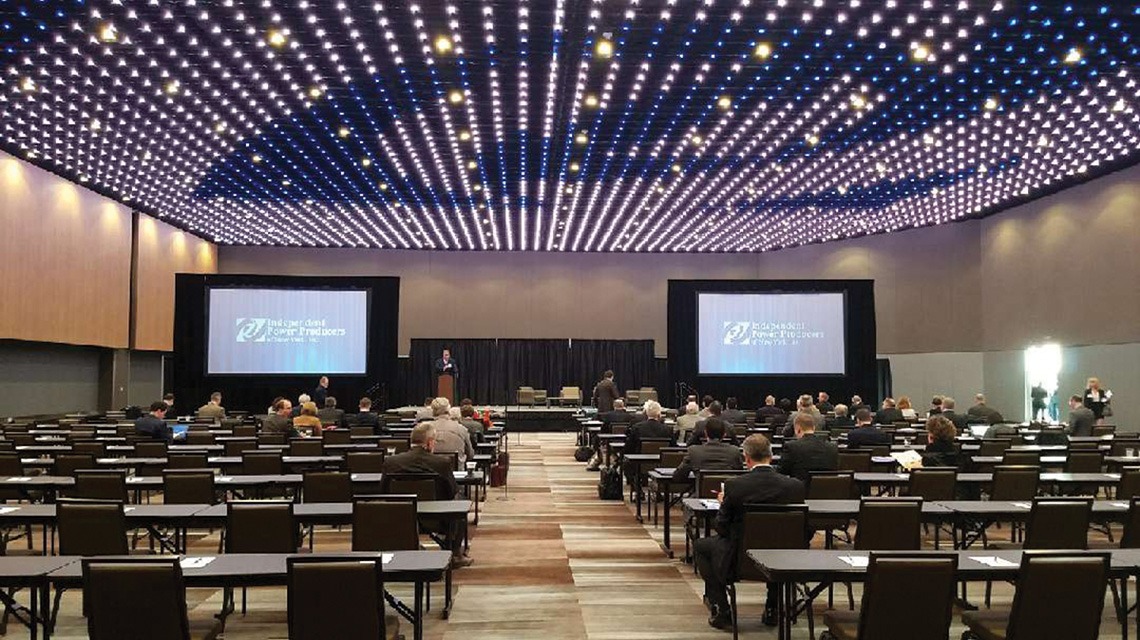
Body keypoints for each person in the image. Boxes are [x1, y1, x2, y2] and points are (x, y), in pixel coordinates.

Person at [695, 434, 805, 629]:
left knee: (701, 547)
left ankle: (723, 609)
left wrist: (722, 505)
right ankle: (773, 607)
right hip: (783, 558)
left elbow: (721, 527)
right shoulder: (794, 486)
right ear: (771, 456)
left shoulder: (734, 486)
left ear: (746, 458)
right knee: (776, 541)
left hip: (739, 558)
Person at [381, 423, 472, 568]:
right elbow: (452, 491)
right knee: (461, 503)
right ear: (430, 443)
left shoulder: (391, 462)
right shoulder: (441, 463)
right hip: (436, 519)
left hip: (401, 517)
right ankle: (455, 554)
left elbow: (383, 491)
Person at [672, 418, 744, 482]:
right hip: (726, 495)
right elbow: (740, 475)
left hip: (700, 496)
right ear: (724, 435)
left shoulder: (693, 451)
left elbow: (678, 477)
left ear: (706, 433)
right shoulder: (734, 451)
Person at [777, 412, 838, 487]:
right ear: (814, 428)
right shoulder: (832, 447)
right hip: (830, 492)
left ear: (798, 429)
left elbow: (782, 471)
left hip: (800, 493)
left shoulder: (791, 446)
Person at [425, 397, 474, 464]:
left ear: (432, 411)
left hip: (431, 470)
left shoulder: (425, 429)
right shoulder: (461, 429)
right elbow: (470, 455)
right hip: (456, 472)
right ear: (449, 410)